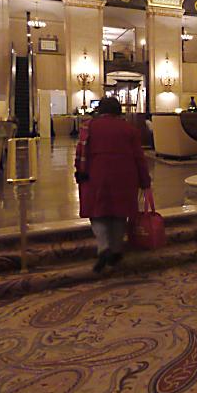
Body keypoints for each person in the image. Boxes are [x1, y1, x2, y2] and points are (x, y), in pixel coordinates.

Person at [75, 96, 151, 273]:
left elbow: (80, 152)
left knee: (97, 213)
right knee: (119, 213)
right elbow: (139, 158)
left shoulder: (88, 126)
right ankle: (116, 250)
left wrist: (80, 171)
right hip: (124, 176)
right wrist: (145, 180)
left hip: (96, 174)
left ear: (100, 110)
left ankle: (103, 247)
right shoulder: (129, 129)